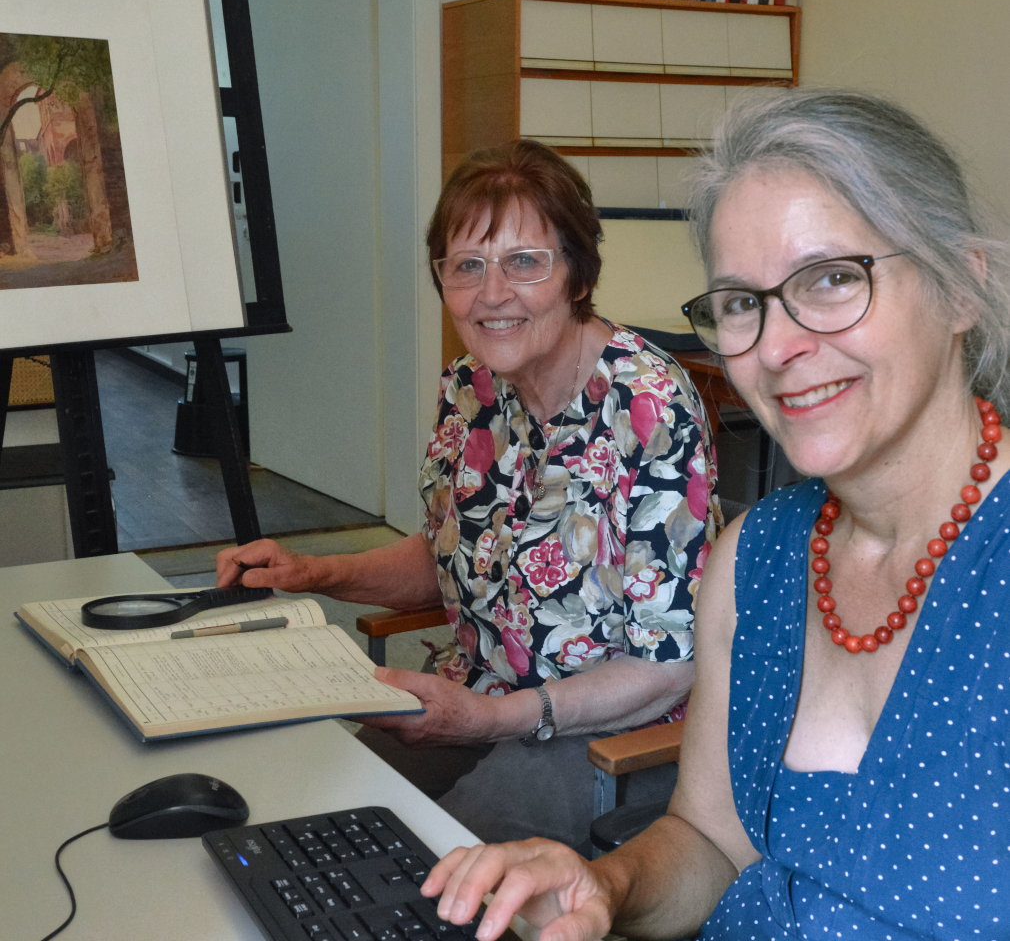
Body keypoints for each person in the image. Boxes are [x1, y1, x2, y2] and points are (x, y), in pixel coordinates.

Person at [418, 89, 1010, 939]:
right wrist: (606, 884)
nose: (775, 347)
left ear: (962, 288)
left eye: (834, 278)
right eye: (741, 302)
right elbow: (710, 843)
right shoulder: (757, 559)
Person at [217, 139, 721, 856]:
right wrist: (315, 572)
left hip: (608, 735)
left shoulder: (649, 407)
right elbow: (455, 556)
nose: (492, 294)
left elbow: (671, 662)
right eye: (467, 267)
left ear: (578, 275)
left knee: (438, 866)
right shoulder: (471, 388)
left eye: (524, 262)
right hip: (468, 699)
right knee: (318, 824)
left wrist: (496, 719)